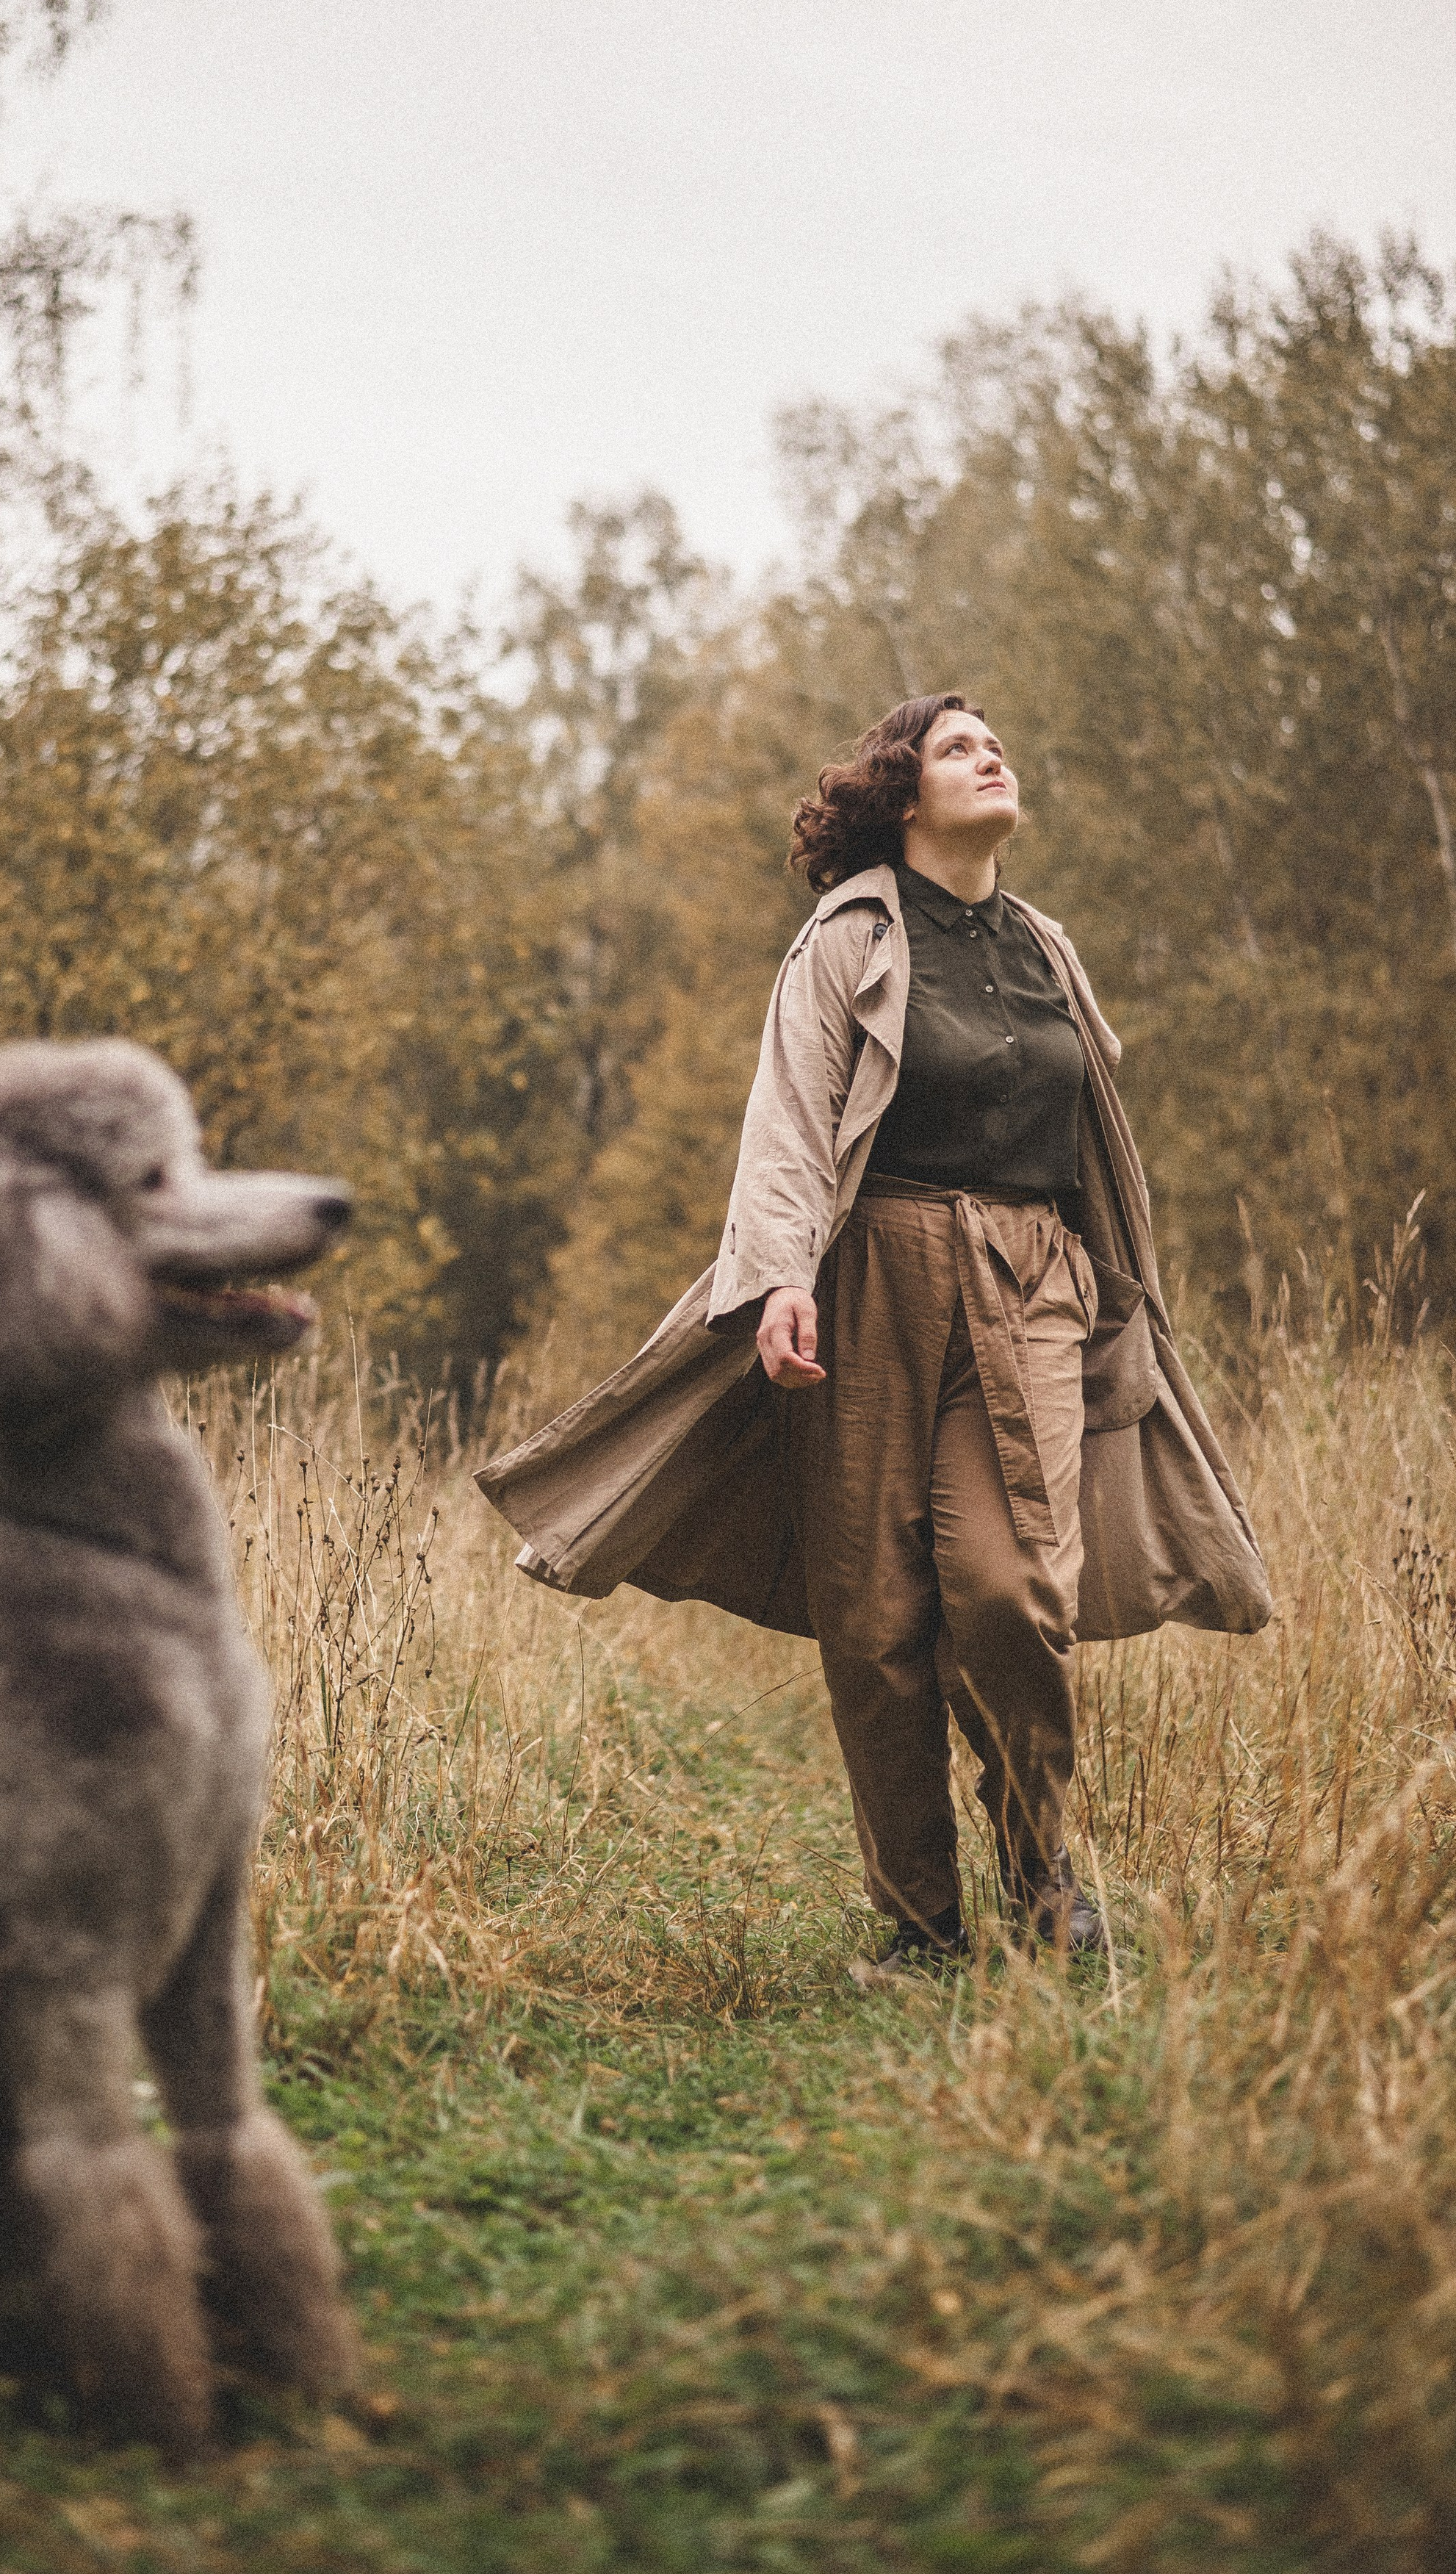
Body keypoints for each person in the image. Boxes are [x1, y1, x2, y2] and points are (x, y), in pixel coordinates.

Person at [477, 691, 1271, 1971]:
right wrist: (780, 1279)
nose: (992, 756)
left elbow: (1094, 1139)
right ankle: (922, 1923)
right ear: (904, 797)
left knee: (1014, 1589)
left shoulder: (1046, 947)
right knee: (878, 1613)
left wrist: (1119, 1289)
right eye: (960, 747)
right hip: (871, 1282)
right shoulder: (850, 938)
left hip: (1032, 1281)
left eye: (996, 744)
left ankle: (1043, 1879)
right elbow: (791, 1125)